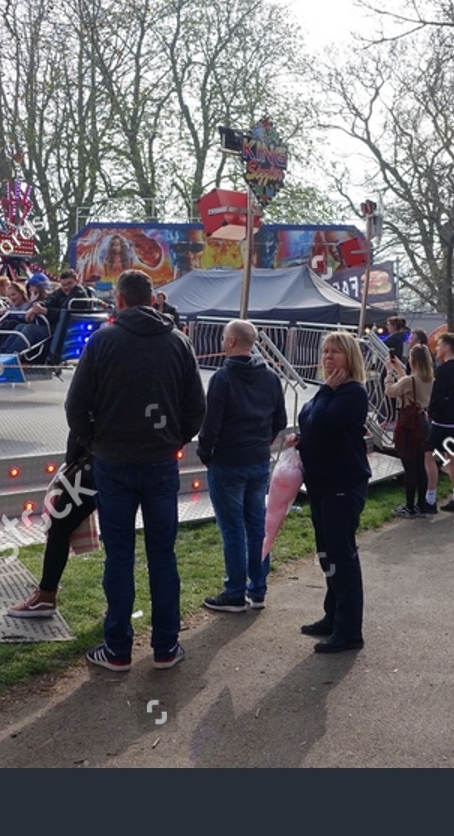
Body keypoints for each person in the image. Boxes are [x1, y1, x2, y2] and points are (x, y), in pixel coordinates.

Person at [67, 269, 206, 671]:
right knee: (163, 555)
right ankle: (165, 647)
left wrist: (96, 442)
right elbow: (196, 406)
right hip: (161, 463)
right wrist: (174, 440)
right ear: (153, 299)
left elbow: (76, 407)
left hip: (114, 463)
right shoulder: (178, 343)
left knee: (120, 557)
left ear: (121, 300)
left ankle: (118, 648)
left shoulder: (102, 341)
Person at [198, 320, 288, 612]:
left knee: (233, 529)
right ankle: (257, 589)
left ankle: (235, 592)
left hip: (228, 461)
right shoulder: (271, 378)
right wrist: (263, 441)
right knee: (256, 526)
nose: (223, 342)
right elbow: (280, 421)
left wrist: (206, 453)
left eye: (224, 337)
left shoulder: (223, 379)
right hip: (258, 460)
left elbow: (210, 424)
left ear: (233, 342)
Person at [295, 331, 371, 653]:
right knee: (327, 554)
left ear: (349, 358)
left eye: (335, 353)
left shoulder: (351, 392)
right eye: (325, 352)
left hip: (343, 485)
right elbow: (310, 423)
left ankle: (349, 629)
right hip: (321, 485)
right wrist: (301, 439)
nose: (328, 357)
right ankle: (333, 614)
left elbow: (323, 422)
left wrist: (325, 393)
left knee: (342, 556)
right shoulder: (327, 391)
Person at [6, 433, 100, 618]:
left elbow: (78, 414)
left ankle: (46, 595)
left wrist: (74, 458)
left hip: (98, 463)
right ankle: (118, 606)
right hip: (136, 461)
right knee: (120, 534)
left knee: (59, 527)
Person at [387, 343, 434, 517]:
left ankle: (409, 506)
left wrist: (389, 374)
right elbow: (408, 385)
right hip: (422, 421)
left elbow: (391, 391)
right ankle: (421, 505)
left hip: (408, 424)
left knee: (409, 465)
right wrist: (399, 369)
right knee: (421, 465)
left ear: (413, 360)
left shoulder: (410, 381)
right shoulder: (428, 379)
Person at [425, 331, 454, 513]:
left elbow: (436, 396)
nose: (436, 348)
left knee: (428, 456)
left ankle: (430, 499)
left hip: (442, 421)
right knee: (453, 459)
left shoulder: (443, 370)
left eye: (439, 345)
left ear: (447, 347)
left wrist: (431, 410)